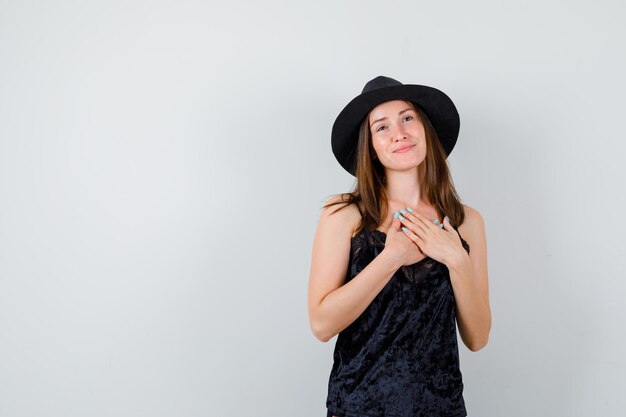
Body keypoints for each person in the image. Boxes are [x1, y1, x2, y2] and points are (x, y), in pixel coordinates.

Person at [307, 76, 491, 417]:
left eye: (407, 118)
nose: (399, 133)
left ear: (425, 130)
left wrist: (456, 258)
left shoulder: (467, 222)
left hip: (442, 408)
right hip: (357, 406)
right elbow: (321, 324)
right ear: (371, 148)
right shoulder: (344, 215)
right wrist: (391, 258)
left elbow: (477, 337)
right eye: (382, 127)